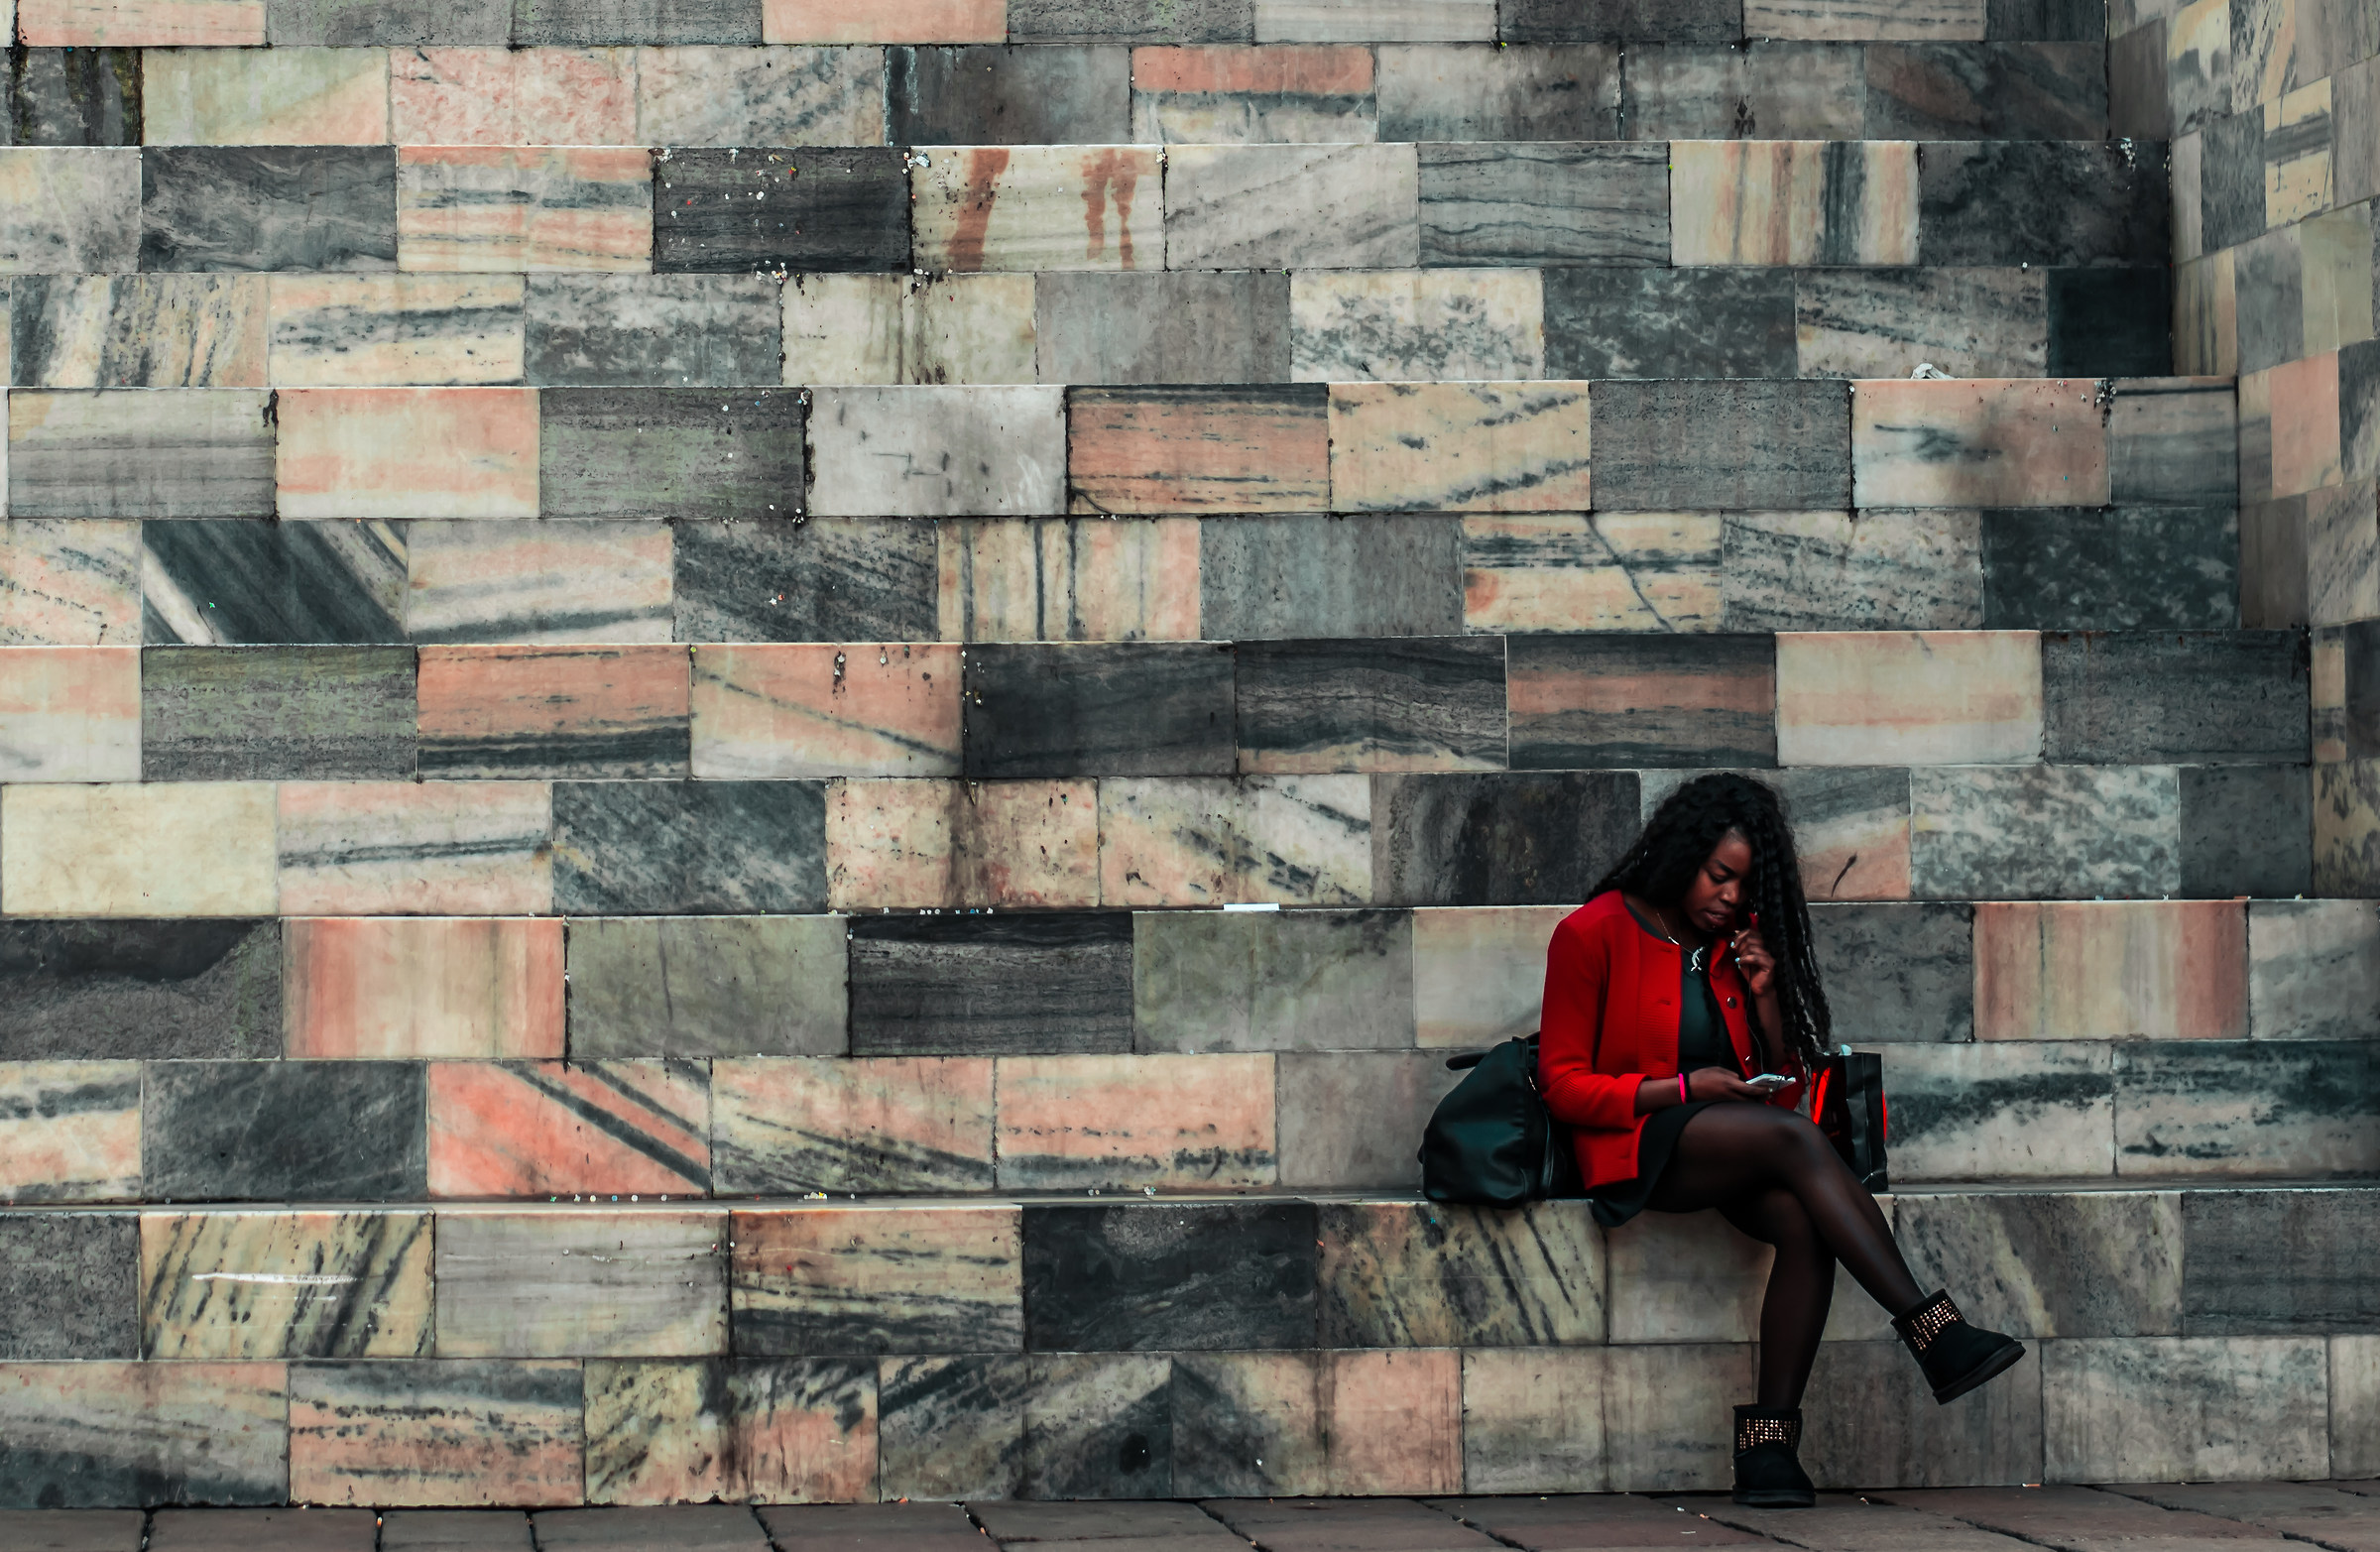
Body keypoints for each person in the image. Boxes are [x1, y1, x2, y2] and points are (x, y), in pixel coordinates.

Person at [1537, 773, 2025, 1507]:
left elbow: (1782, 1091)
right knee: (1796, 1144)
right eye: (1719, 875)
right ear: (1680, 854)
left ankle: (1768, 1449)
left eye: (1745, 881)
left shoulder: (1736, 948)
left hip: (1729, 1145)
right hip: (1635, 1150)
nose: (1732, 897)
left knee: (1804, 1222)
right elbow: (1563, 1082)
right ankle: (1933, 1330)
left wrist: (1765, 998)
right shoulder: (1592, 931)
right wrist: (1683, 1089)